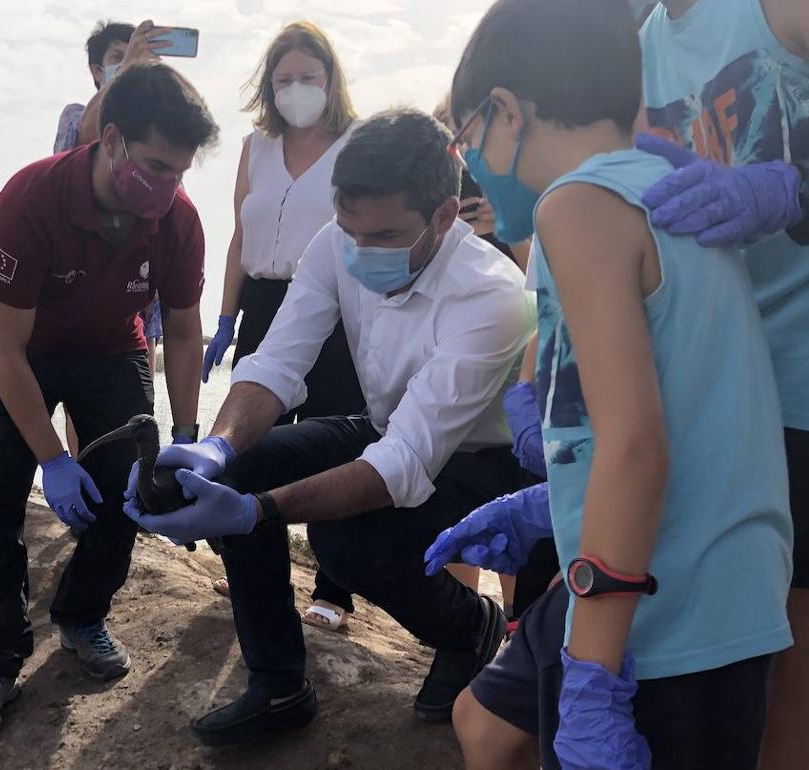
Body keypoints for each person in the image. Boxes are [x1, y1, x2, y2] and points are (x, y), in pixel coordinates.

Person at [435, 0, 793, 767]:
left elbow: (635, 448)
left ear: (504, 109)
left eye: (468, 139)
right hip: (731, 603)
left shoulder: (578, 206)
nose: (475, 166)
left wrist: (592, 677)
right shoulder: (670, 198)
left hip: (662, 622)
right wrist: (549, 506)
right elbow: (698, 415)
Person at [125, 107, 533, 744]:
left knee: (346, 544)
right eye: (350, 229)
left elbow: (405, 462)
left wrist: (256, 513)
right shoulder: (335, 242)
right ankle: (279, 683)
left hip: (483, 462)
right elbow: (279, 361)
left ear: (445, 217)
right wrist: (214, 446)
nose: (360, 251)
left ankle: (472, 629)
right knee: (243, 464)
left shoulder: (492, 296)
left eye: (384, 236)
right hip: (386, 427)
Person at [0, 61, 216, 744]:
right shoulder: (30, 198)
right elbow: (4, 348)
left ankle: (82, 613)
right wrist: (53, 458)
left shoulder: (177, 219)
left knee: (128, 488)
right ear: (114, 140)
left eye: (180, 173)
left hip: (111, 350)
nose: (166, 187)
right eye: (156, 166)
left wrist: (185, 436)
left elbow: (184, 332)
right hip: (19, 350)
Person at [631, 2, 809, 765]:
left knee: (791, 657)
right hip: (717, 381)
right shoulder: (643, 43)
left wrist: (790, 188)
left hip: (800, 381)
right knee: (732, 649)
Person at [198, 21, 369, 634]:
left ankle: (333, 589)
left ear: (331, 80)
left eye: (309, 78)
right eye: (285, 79)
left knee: (328, 438)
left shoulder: (357, 143)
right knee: (255, 440)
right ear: (269, 86)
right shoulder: (257, 146)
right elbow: (240, 234)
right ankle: (255, 563)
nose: (297, 89)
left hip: (335, 305)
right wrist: (225, 315)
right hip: (265, 302)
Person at [54, 20, 166, 457]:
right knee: (81, 399)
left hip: (141, 275)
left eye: (136, 55)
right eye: (117, 58)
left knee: (136, 395)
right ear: (95, 72)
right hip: (81, 276)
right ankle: (83, 482)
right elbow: (78, 147)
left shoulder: (158, 125)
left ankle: (129, 491)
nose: (128, 65)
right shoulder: (76, 114)